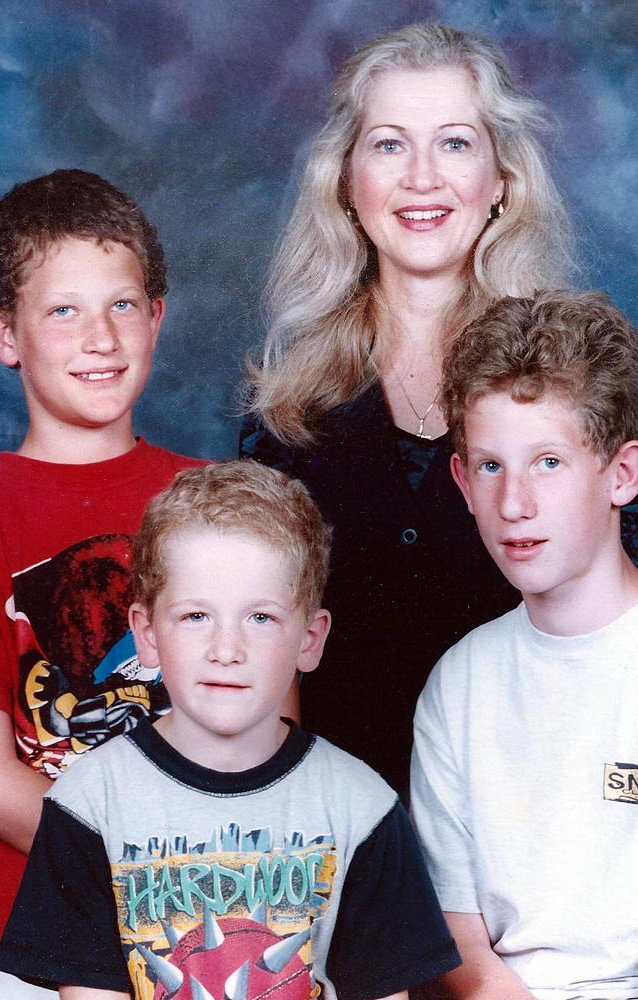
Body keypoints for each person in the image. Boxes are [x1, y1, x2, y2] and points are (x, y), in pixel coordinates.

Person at [240, 22, 575, 796]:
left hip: (538, 836)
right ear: (346, 183)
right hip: (344, 848)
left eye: (455, 143)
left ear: (501, 181)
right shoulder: (285, 417)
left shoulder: (577, 385)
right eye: (389, 144)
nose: (422, 178)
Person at [0, 460, 460, 999]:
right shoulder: (88, 803)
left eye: (260, 618)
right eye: (196, 616)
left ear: (310, 638)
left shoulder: (362, 807)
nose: (226, 650)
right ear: (146, 635)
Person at [0, 169, 205, 998]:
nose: (101, 338)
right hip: (29, 932)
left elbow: (271, 718)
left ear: (156, 317)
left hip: (202, 908)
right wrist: (138, 863)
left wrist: (194, 868)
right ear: (6, 336)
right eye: (63, 311)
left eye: (122, 305)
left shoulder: (216, 500)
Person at [410, 290, 638, 999]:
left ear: (622, 474)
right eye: (489, 467)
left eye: (548, 463)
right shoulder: (461, 683)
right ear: (461, 482)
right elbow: (458, 936)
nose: (514, 504)